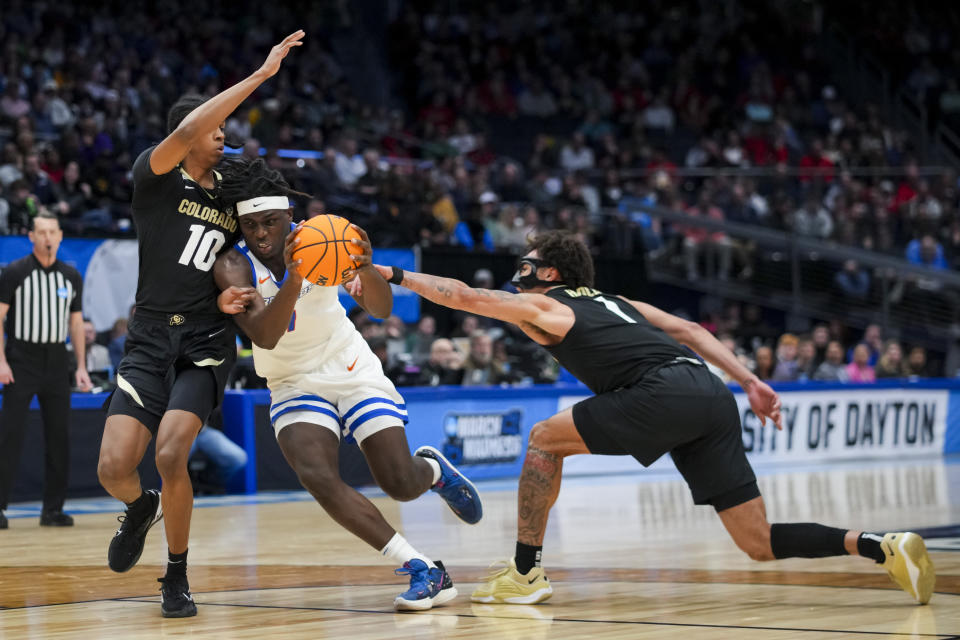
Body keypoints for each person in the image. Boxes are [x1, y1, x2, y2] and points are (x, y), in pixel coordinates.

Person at [373, 230, 935, 606]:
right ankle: (879, 545)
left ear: (549, 274)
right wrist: (750, 381)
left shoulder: (549, 304)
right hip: (710, 396)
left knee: (545, 438)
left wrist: (391, 276)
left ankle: (526, 573)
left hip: (662, 390)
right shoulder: (617, 302)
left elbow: (468, 297)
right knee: (757, 541)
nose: (516, 274)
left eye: (526, 265)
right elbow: (688, 331)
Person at [94, 30, 304, 619]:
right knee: (114, 468)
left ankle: (176, 575)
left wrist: (237, 293)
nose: (224, 136)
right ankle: (140, 509)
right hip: (150, 335)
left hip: (207, 341)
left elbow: (240, 254)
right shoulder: (154, 177)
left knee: (170, 452)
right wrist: (262, 75)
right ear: (188, 136)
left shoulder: (233, 196)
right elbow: (189, 130)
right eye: (217, 130)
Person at [212, 158, 482, 611]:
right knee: (316, 475)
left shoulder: (324, 237)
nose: (261, 234)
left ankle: (433, 471)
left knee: (399, 483)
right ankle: (422, 568)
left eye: (271, 223)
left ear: (288, 218)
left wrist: (369, 268)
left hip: (350, 364)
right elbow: (264, 335)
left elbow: (381, 309)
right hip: (292, 379)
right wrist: (298, 275)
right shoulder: (232, 265)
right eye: (251, 224)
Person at [0, 212, 92, 530]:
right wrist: (1, 361)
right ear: (31, 237)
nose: (48, 237)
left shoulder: (70, 275)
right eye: (41, 232)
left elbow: (76, 322)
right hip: (21, 359)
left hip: (56, 361)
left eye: (52, 232)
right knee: (9, 434)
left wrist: (80, 366)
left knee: (59, 437)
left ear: (61, 236)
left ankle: (53, 509)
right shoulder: (14, 272)